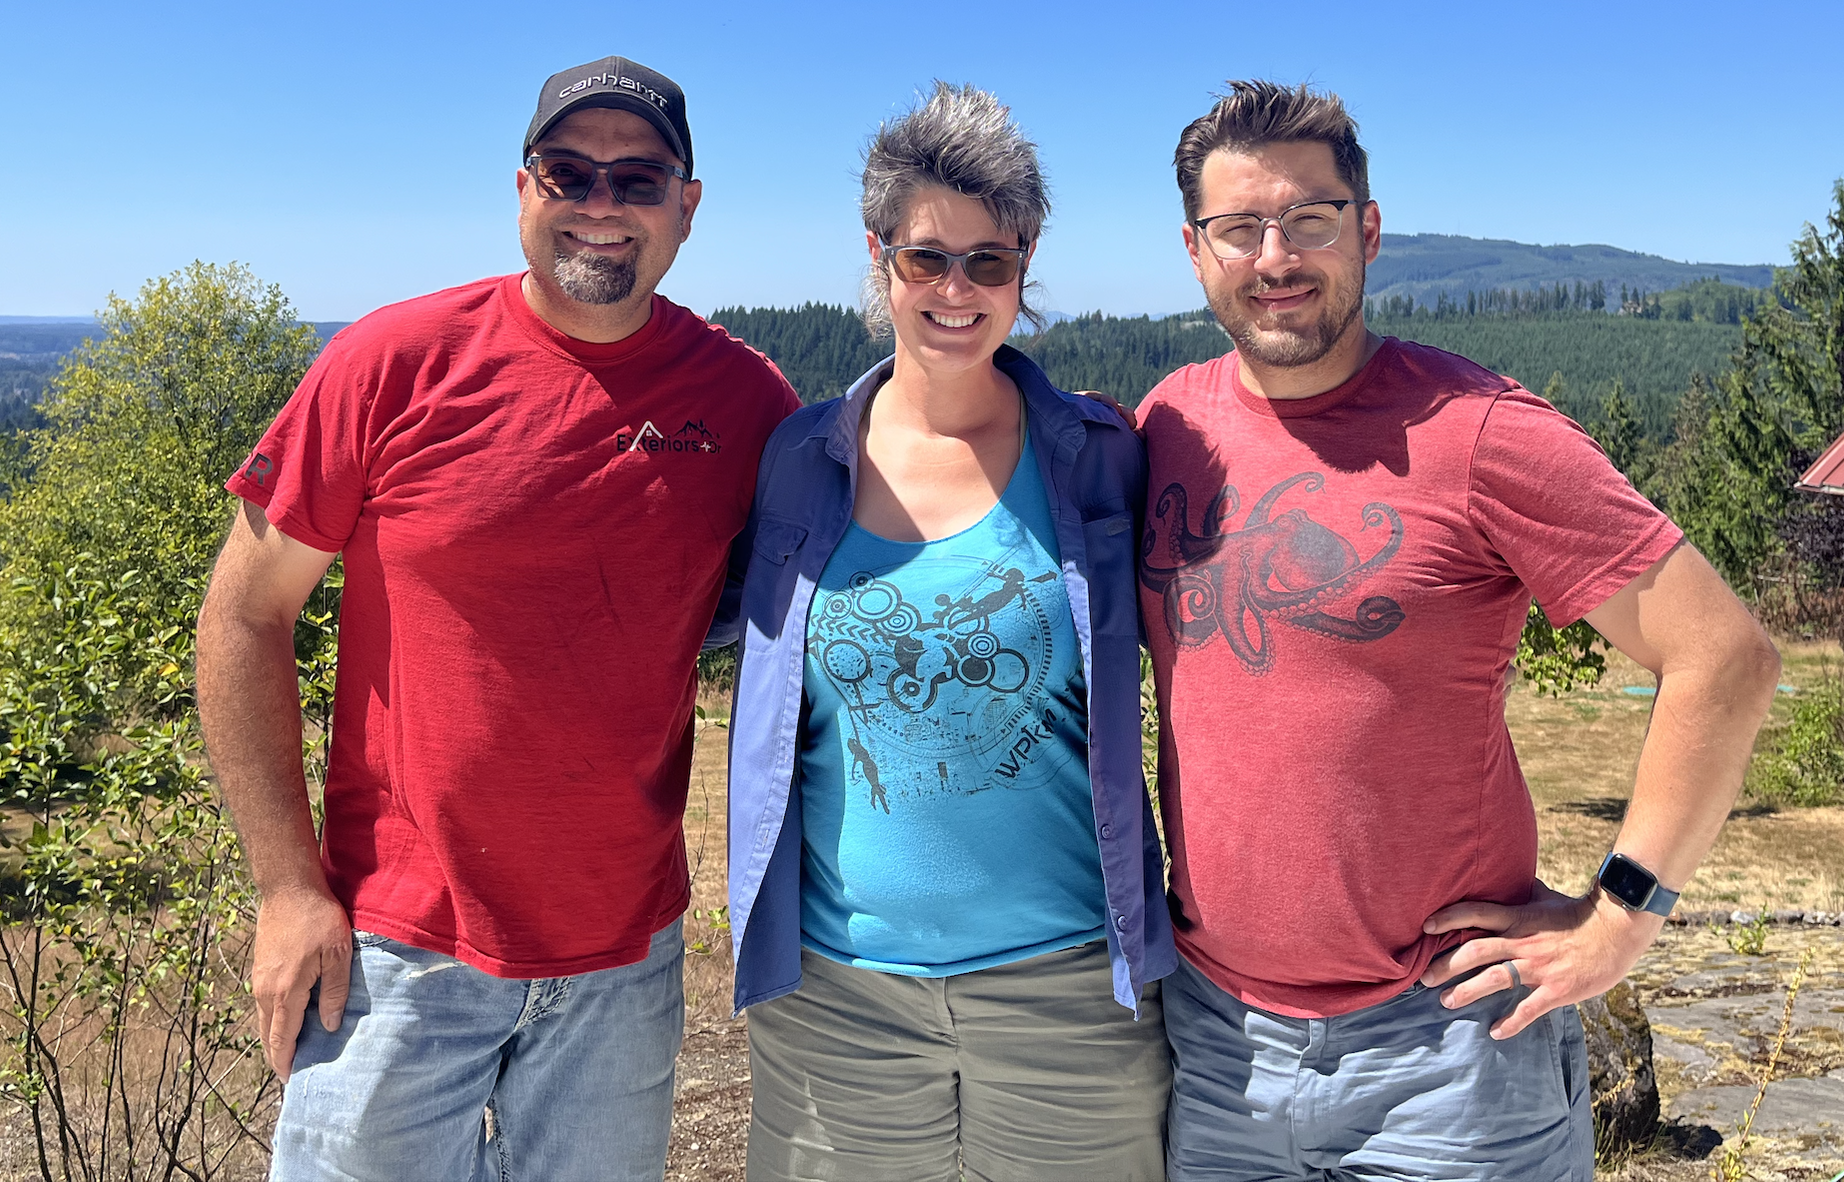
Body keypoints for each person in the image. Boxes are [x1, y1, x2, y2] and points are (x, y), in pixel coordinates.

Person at [1135, 81, 1782, 1182]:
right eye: (1239, 228)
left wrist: (1620, 914)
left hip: (1447, 1052)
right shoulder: (1165, 426)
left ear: (1369, 229)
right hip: (1215, 1041)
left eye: (1311, 218)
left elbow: (1722, 652)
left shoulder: (1479, 431)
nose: (1275, 255)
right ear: (1195, 249)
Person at [196, 58, 800, 1182]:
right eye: (569, 172)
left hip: (626, 957)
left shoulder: (748, 403)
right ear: (523, 188)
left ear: (687, 202)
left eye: (638, 177)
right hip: (393, 945)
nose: (601, 204)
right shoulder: (392, 362)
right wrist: (286, 887)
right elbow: (242, 616)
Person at [723, 83, 1176, 1182]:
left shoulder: (1098, 455)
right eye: (928, 256)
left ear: (1025, 265)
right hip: (836, 998)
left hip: (1071, 991)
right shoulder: (797, 458)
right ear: (878, 257)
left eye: (991, 260)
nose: (957, 289)